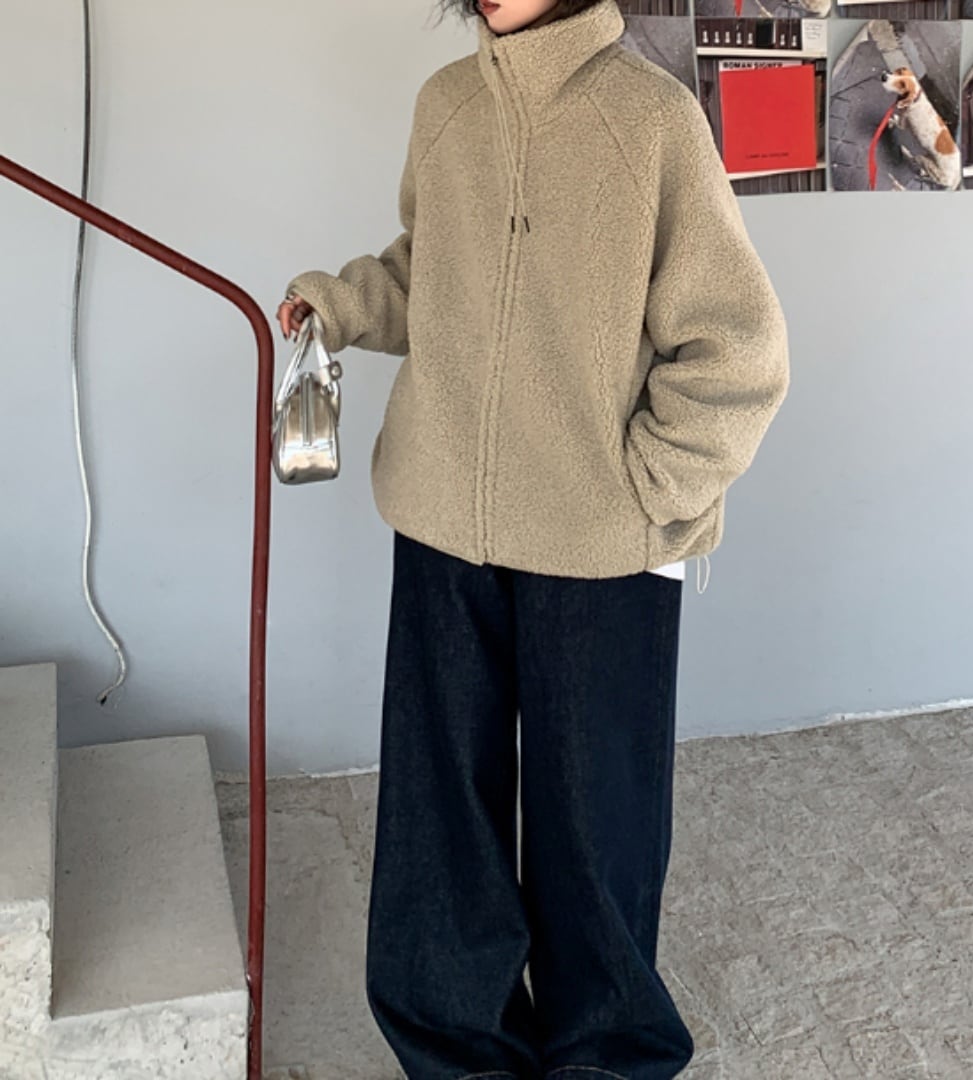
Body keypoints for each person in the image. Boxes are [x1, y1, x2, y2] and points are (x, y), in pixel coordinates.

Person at [277, 0, 790, 1077]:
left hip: (599, 541)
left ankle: (604, 1053)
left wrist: (652, 487)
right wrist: (338, 304)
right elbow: (427, 272)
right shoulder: (446, 105)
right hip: (441, 516)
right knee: (440, 813)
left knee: (596, 823)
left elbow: (737, 343)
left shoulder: (651, 118)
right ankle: (456, 1046)